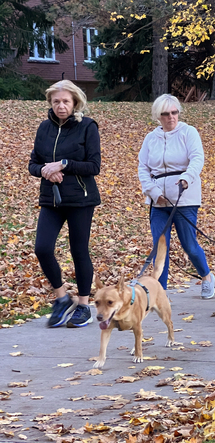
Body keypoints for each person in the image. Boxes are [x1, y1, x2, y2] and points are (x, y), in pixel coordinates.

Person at [28, 80, 101, 328]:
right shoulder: (44, 128)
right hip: (52, 199)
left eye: (66, 101)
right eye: (56, 101)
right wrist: (45, 171)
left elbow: (94, 166)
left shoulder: (88, 127)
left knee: (79, 251)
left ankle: (83, 305)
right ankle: (61, 299)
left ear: (75, 102)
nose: (61, 106)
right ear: (50, 103)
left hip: (81, 199)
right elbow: (33, 164)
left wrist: (64, 165)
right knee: (42, 248)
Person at [138, 94, 215, 297]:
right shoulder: (150, 138)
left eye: (174, 112)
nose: (171, 117)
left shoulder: (188, 132)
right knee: (160, 246)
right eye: (165, 114)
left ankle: (206, 276)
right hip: (158, 201)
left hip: (185, 198)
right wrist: (153, 192)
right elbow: (143, 168)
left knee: (189, 244)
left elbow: (197, 158)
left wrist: (187, 178)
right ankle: (159, 292)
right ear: (158, 116)